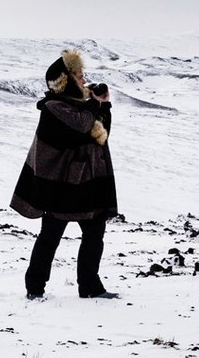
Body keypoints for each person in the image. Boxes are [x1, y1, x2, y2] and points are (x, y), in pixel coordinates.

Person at [10, 49, 119, 299]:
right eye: (78, 75)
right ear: (65, 80)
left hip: (87, 183)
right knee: (50, 236)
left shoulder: (81, 106)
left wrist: (105, 105)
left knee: (94, 233)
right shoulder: (54, 106)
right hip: (61, 186)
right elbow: (80, 125)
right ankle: (34, 289)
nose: (83, 79)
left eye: (83, 75)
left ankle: (90, 287)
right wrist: (95, 103)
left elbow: (101, 134)